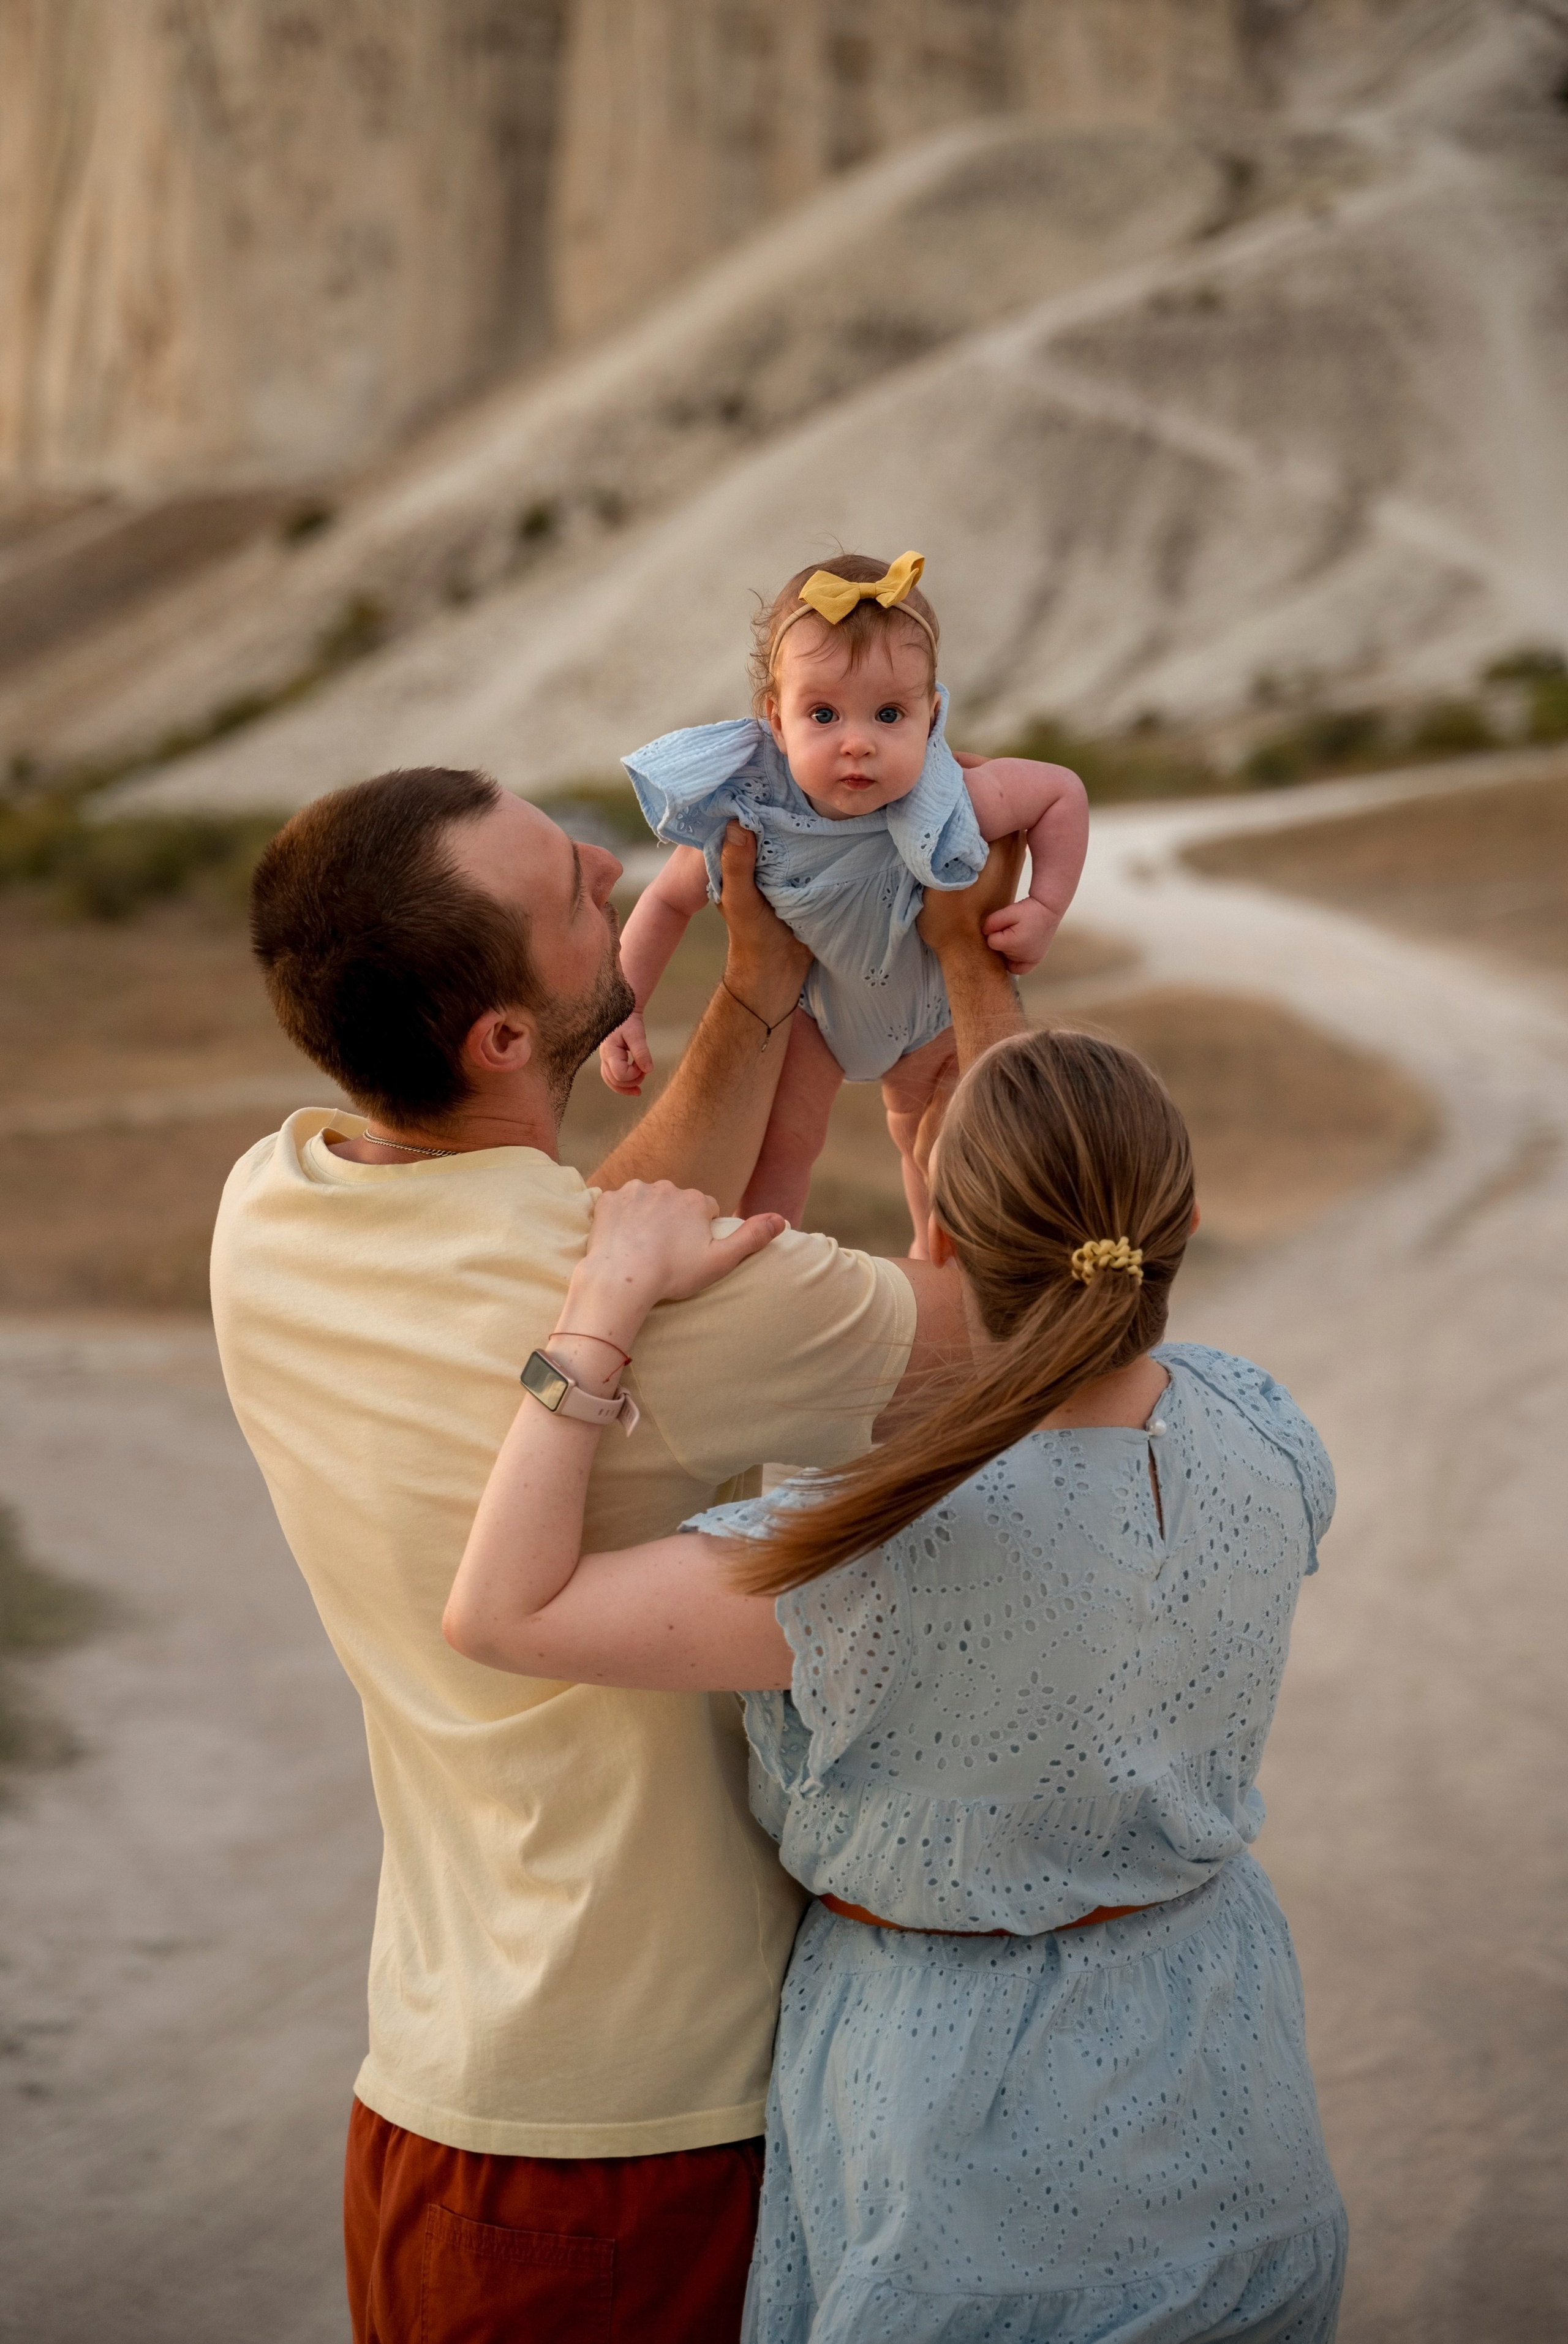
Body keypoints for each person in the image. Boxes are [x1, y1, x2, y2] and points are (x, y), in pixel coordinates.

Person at [211, 762, 1022, 2343]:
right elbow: (1018, 1324)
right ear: (504, 1039)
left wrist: (761, 988)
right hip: (639, 2143)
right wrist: (968, 969)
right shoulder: (665, 1313)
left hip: (433, 2099)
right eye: (574, 893)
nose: (609, 863)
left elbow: (582, 1223)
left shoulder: (277, 1203)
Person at [444, 1028, 1348, 2343]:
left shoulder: (856, 1552)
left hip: (956, 2143)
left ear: (934, 1235)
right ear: (1185, 1223)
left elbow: (503, 1609)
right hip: (1231, 2086)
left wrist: (603, 1302)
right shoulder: (1267, 1430)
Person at [600, 550, 1089, 1250]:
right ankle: (764, 1258)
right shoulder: (756, 811)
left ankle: (934, 1251)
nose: (857, 744)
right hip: (818, 1018)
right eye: (823, 714)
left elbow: (1062, 794)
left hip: (930, 1016)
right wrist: (628, 1006)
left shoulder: (949, 799)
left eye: (889, 714)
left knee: (934, 1143)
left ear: (932, 714)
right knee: (784, 1151)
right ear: (774, 718)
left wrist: (1044, 907)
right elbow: (665, 902)